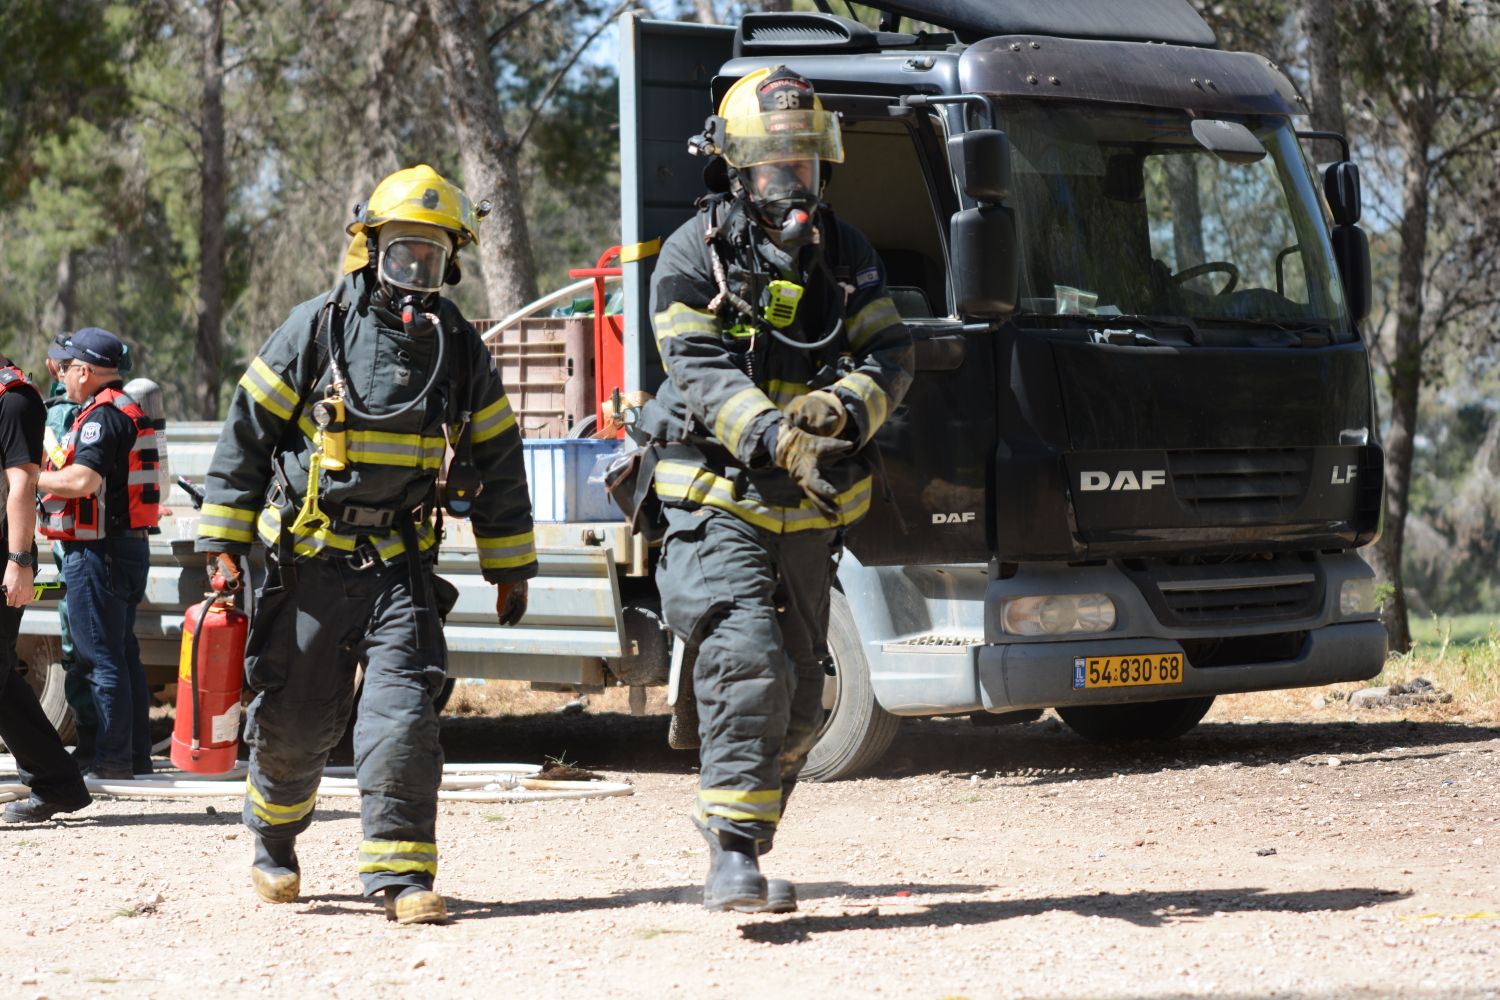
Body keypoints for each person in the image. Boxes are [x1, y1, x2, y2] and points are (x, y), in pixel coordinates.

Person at [194, 164, 536, 925]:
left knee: (404, 718)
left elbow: (498, 457)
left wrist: (509, 564)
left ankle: (401, 874)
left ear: (451, 262)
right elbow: (246, 435)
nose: (416, 269)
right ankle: (273, 840)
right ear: (372, 248)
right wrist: (222, 539)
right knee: (296, 723)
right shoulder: (316, 327)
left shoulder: (459, 346)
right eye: (403, 251)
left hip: (399, 571)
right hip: (310, 565)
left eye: (432, 255)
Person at [643, 66, 913, 912]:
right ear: (736, 170)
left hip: (804, 513)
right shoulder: (692, 255)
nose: (790, 182)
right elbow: (697, 366)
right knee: (747, 656)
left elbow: (891, 354)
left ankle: (747, 827)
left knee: (801, 698)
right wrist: (774, 436)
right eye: (772, 167)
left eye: (802, 163)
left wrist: (841, 408)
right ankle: (732, 855)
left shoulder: (847, 252)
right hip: (715, 495)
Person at [36, 328, 158, 784]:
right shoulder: (123, 408)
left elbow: (82, 481)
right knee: (122, 653)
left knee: (98, 658)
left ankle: (111, 761)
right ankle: (134, 757)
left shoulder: (101, 417)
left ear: (85, 372)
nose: (62, 375)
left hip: (98, 550)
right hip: (126, 547)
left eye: (67, 368)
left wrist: (27, 477)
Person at [0, 353, 93, 823]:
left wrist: (19, 562)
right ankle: (58, 783)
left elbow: (23, 486)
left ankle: (57, 782)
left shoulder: (13, 399)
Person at [41, 332, 96, 770]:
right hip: (90, 542)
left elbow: (62, 476)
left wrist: (27, 478)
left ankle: (94, 746)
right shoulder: (100, 409)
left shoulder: (60, 415)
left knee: (79, 648)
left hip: (74, 546)